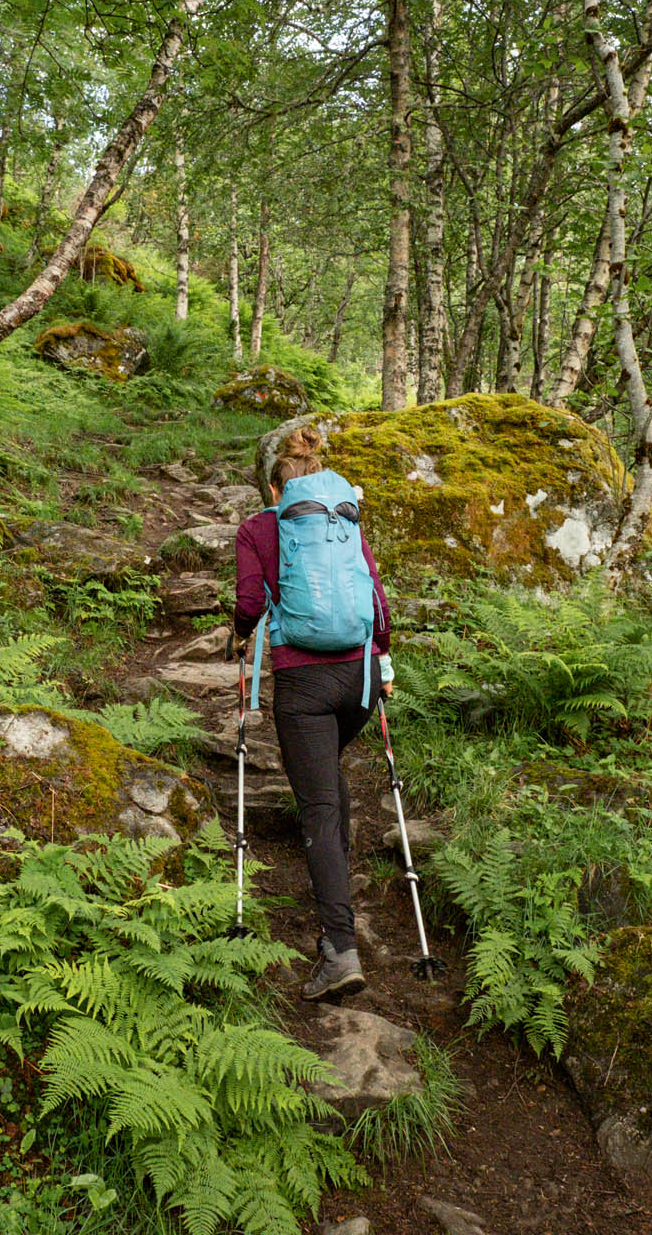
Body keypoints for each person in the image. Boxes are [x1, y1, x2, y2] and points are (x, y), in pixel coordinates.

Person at [233, 427, 393, 1001]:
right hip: (360, 679)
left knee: (319, 806)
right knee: (329, 784)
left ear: (275, 486)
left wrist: (238, 634)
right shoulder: (345, 520)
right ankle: (338, 884)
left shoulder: (259, 526)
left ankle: (338, 949)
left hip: (302, 682)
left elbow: (251, 602)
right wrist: (385, 663)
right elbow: (375, 594)